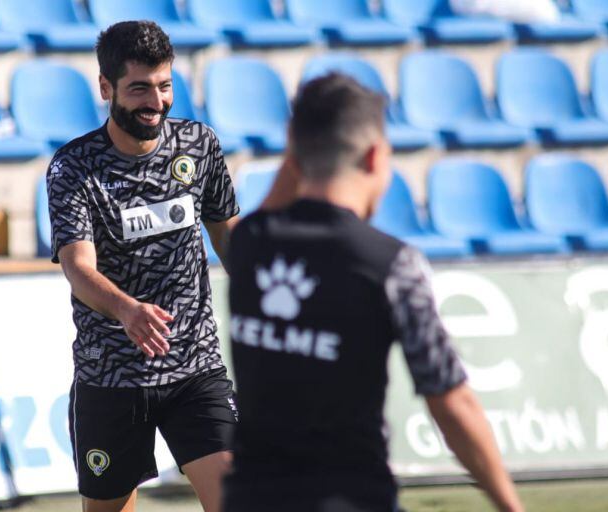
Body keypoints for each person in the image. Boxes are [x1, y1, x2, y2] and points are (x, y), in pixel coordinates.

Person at [224, 73, 524, 512]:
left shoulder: (249, 243)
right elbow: (451, 400)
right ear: (373, 157)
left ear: (297, 149)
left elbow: (278, 193)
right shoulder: (392, 265)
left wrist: (302, 140)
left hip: (249, 500)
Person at [46, 21, 238, 512]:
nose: (155, 101)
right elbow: (78, 268)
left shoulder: (200, 146)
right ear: (107, 88)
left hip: (196, 369)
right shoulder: (73, 168)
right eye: (139, 89)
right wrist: (128, 311)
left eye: (164, 86)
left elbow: (230, 239)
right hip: (111, 377)